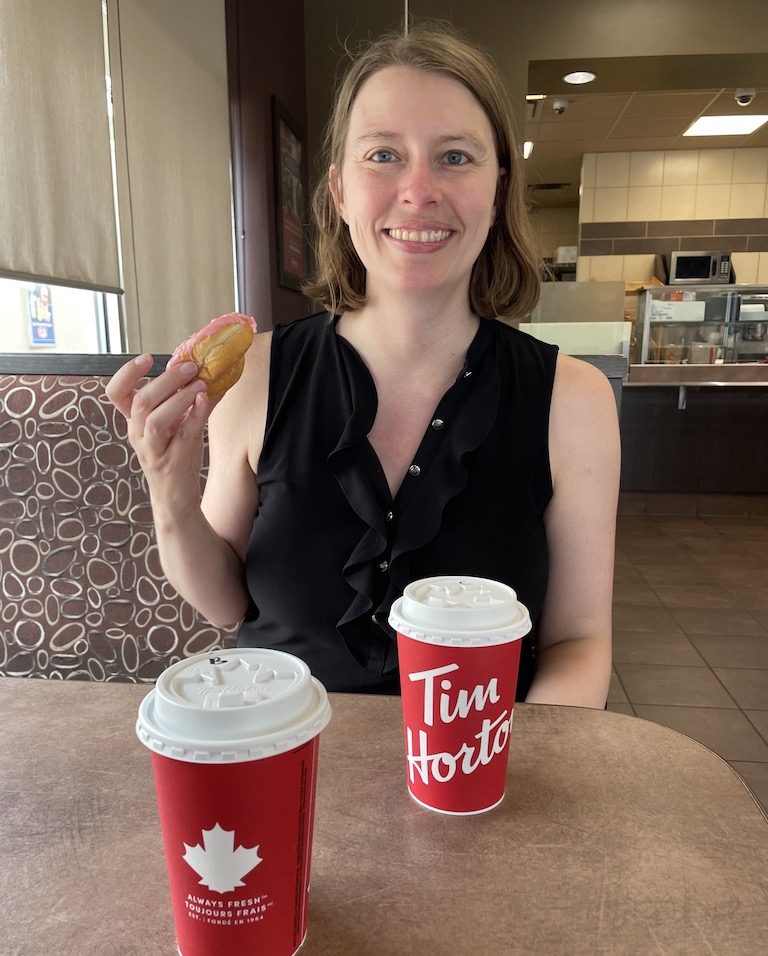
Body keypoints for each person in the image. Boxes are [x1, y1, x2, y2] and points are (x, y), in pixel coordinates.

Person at [106, 21, 620, 709]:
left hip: (481, 784)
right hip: (281, 759)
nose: (418, 190)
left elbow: (578, 642)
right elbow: (227, 606)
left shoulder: (573, 400)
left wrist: (495, 778)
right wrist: (169, 497)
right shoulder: (258, 373)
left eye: (456, 158)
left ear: (498, 192)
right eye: (383, 155)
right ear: (340, 193)